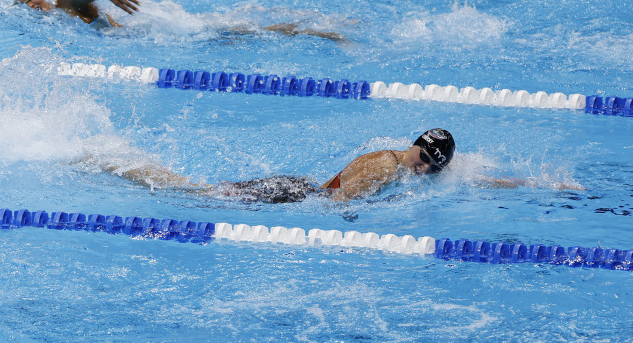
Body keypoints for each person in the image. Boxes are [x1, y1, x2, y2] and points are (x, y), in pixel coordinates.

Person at [101, 128, 456, 203]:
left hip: (299, 188)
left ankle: (124, 163)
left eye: (432, 168)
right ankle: (124, 166)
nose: (423, 168)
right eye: (423, 158)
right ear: (414, 145)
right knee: (196, 194)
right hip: (292, 196)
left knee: (201, 190)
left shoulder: (393, 158)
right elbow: (339, 201)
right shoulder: (384, 167)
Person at [14, 0, 346, 40]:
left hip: (160, 33)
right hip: (153, 33)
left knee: (249, 33)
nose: (31, 2)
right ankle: (312, 24)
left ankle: (318, 29)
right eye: (22, 1)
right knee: (243, 31)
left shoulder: (65, 4)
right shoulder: (56, 21)